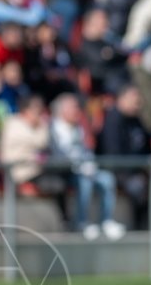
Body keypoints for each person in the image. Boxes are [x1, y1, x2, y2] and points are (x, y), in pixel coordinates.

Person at [50, 94, 125, 241]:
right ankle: (81, 221)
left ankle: (106, 220)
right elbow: (59, 154)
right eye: (73, 108)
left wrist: (89, 164)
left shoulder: (78, 127)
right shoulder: (54, 128)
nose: (77, 111)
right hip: (65, 172)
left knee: (107, 179)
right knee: (84, 182)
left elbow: (85, 150)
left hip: (84, 168)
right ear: (62, 110)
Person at [0, 95, 68, 223]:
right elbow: (37, 142)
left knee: (65, 176)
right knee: (56, 184)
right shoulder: (13, 124)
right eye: (36, 109)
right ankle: (64, 221)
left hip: (38, 169)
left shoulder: (41, 125)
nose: (39, 113)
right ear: (26, 110)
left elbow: (44, 142)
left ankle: (65, 221)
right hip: (20, 172)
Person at [97, 86, 151, 229]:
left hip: (138, 171)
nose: (138, 104)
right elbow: (113, 154)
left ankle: (150, 226)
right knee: (138, 187)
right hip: (120, 171)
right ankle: (139, 228)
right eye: (135, 100)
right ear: (122, 99)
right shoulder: (113, 120)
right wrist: (135, 171)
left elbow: (147, 148)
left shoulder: (137, 120)